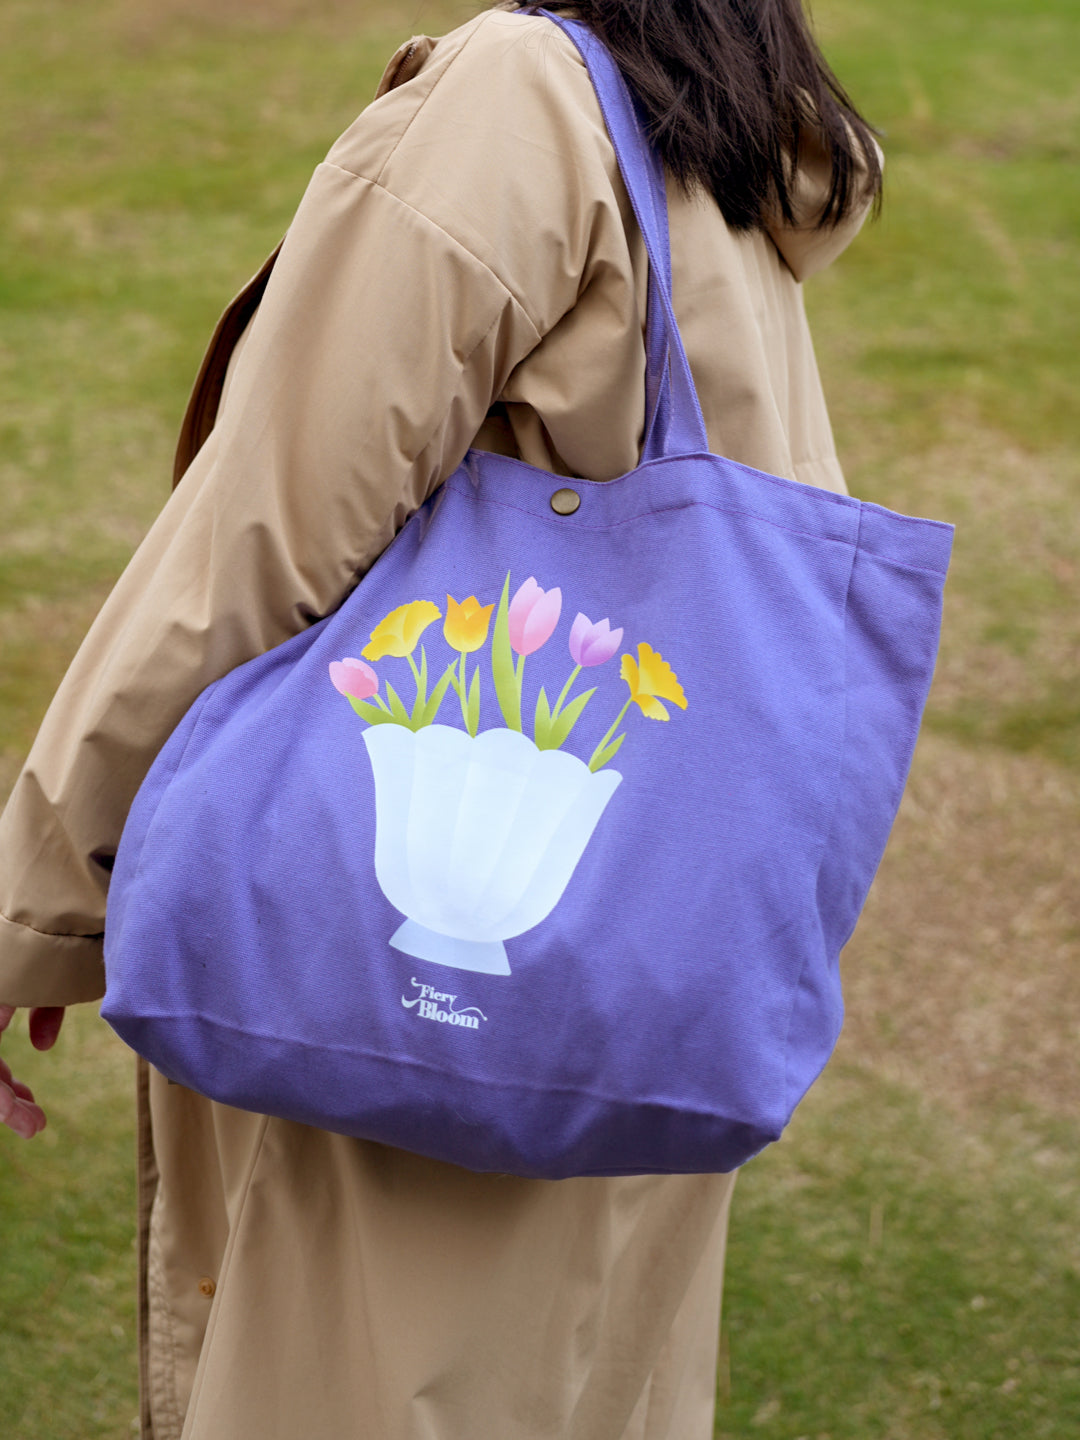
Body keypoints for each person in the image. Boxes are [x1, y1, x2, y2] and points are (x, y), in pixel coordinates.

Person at [0, 3, 882, 1436]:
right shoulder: (726, 133)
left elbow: (266, 541)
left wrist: (40, 902)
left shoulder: (520, 99)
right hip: (622, 989)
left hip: (422, 1015)